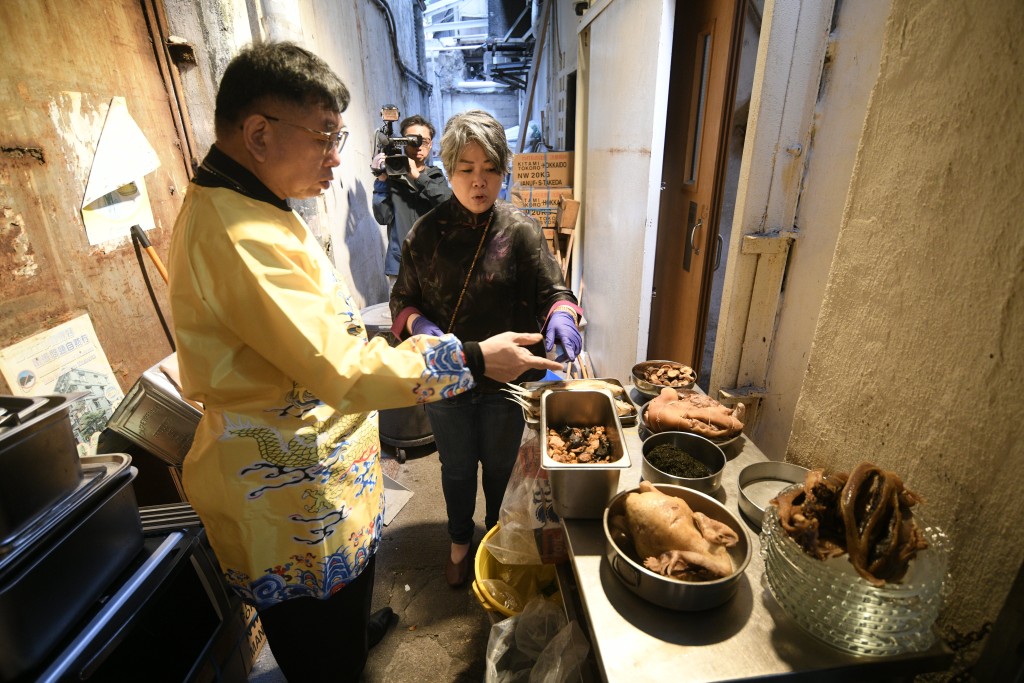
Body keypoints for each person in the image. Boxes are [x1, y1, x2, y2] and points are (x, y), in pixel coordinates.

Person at [166, 44, 560, 682]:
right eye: (325, 136)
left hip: (330, 468)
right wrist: (468, 354)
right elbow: (346, 364)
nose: (337, 155)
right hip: (290, 490)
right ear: (259, 134)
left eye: (339, 135)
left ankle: (351, 636)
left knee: (347, 605)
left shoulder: (259, 208)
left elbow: (550, 288)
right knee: (318, 641)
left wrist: (560, 312)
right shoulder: (240, 235)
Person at [389, 109, 583, 588]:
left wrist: (561, 314)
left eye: (490, 169)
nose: (479, 182)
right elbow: (401, 303)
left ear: (504, 171)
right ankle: (459, 539)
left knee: (500, 468)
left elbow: (555, 290)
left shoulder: (521, 230)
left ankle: (496, 537)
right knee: (455, 468)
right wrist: (422, 324)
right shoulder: (426, 234)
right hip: (448, 380)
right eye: (466, 169)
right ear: (449, 169)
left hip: (507, 382)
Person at [371, 114, 451, 287]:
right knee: (401, 314)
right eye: (413, 140)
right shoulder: (392, 178)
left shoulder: (436, 178)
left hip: (433, 265)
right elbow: (382, 217)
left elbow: (449, 206)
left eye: (425, 141)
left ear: (430, 145)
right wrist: (381, 181)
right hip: (400, 265)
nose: (419, 146)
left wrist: (417, 176)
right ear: (402, 142)